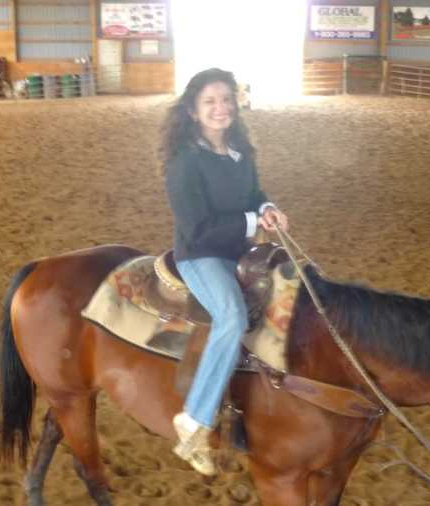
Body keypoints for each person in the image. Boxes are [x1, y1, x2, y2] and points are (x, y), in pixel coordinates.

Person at [161, 68, 289, 475]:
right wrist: (254, 222)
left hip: (241, 250)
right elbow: (197, 228)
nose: (221, 108)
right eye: (210, 101)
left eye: (226, 99)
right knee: (232, 317)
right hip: (202, 255)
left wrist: (267, 207)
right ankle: (194, 419)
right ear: (194, 111)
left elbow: (254, 194)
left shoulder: (240, 150)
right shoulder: (184, 163)